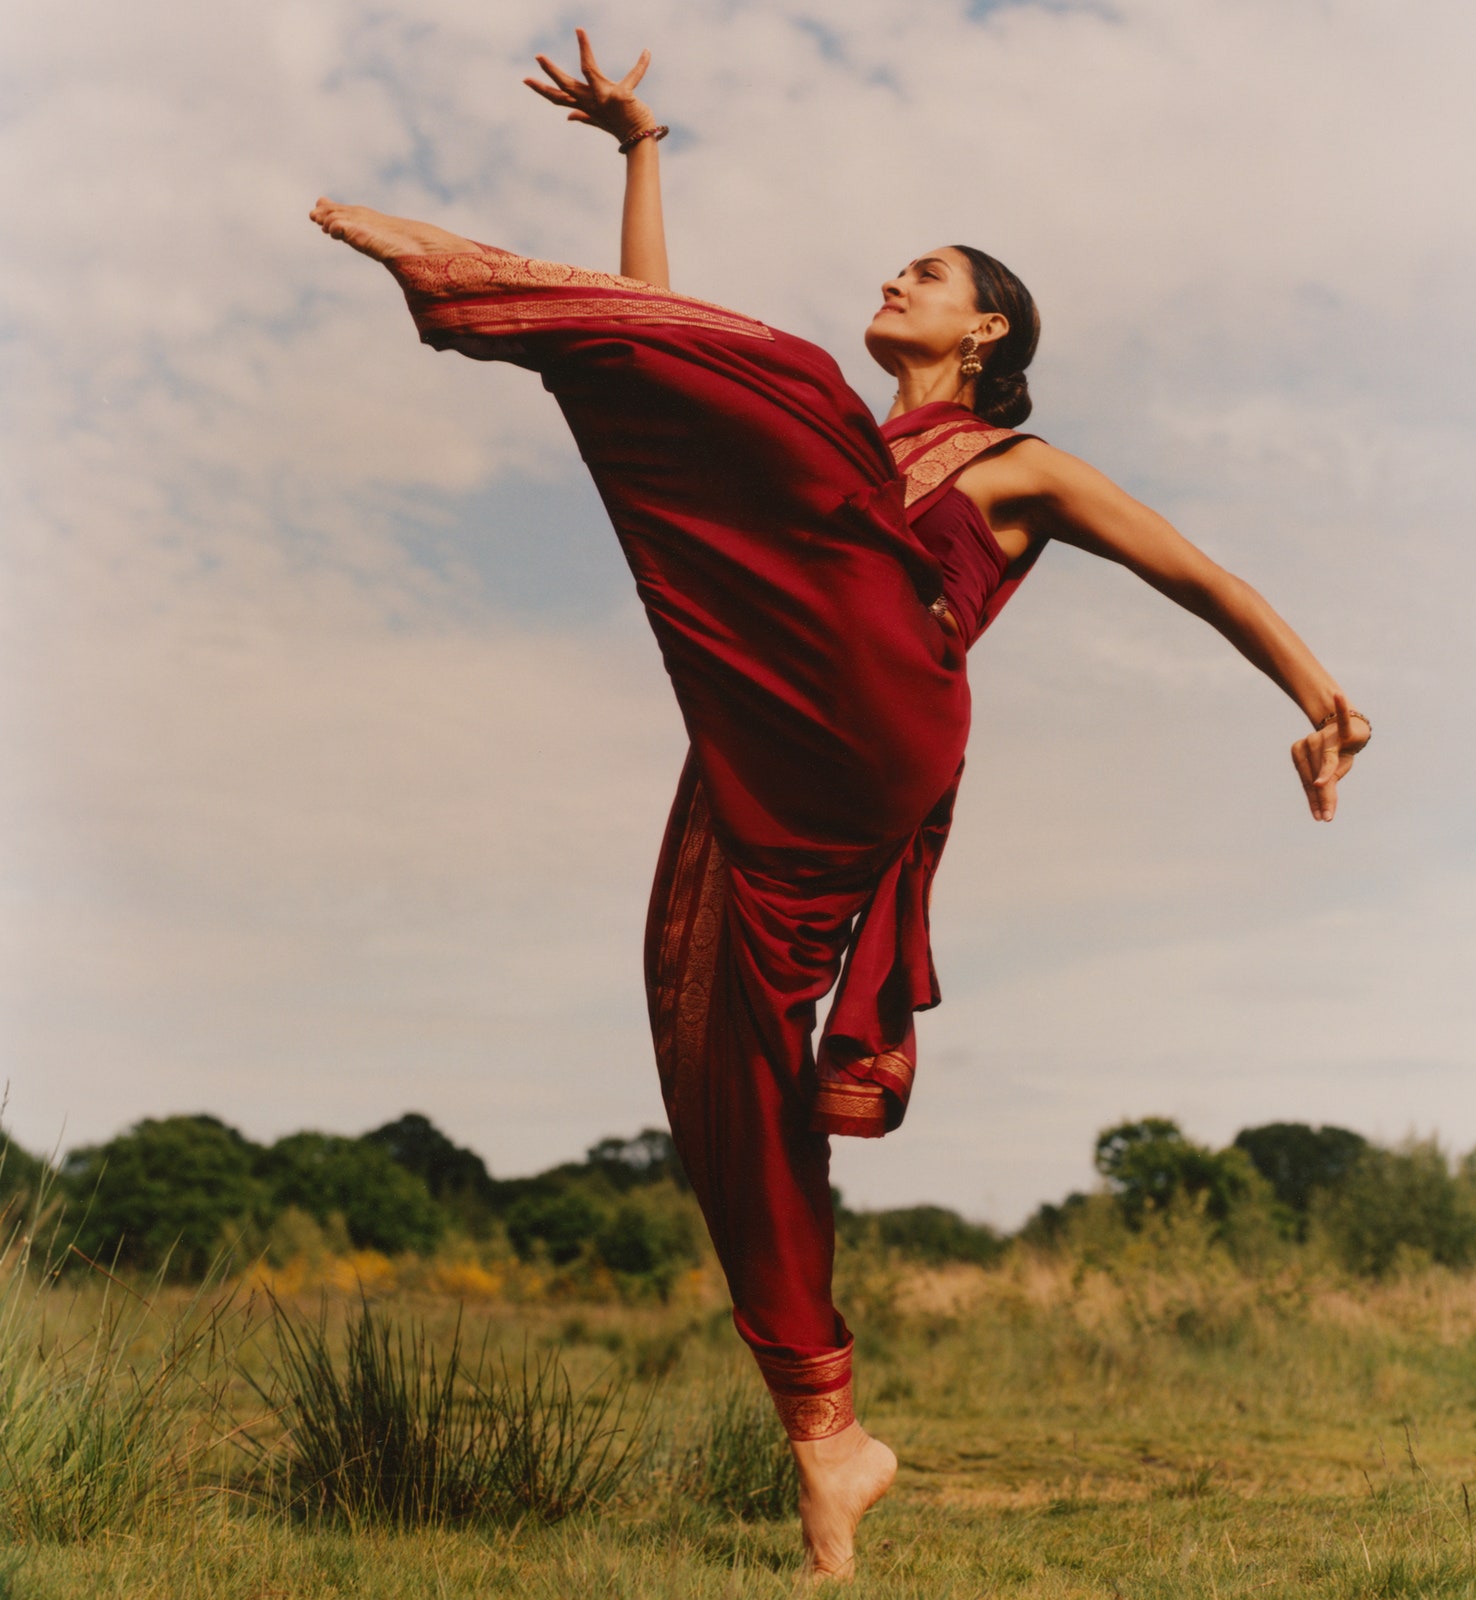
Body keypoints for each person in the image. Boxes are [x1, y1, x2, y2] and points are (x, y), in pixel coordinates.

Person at [309, 29, 1369, 1580]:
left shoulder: (1016, 462)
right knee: (708, 1049)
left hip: (879, 717)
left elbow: (1196, 574)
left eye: (925, 273)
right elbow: (669, 340)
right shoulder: (828, 456)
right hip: (769, 744)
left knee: (777, 386)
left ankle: (485, 293)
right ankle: (829, 1440)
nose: (896, 280)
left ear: (989, 322)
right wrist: (641, 151)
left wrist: (1321, 697)